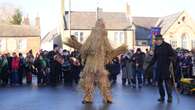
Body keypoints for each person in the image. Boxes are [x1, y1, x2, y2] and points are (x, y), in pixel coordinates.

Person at [146, 34, 175, 103]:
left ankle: (170, 97)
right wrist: (149, 66)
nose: (157, 42)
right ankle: (162, 96)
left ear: (161, 40)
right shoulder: (157, 47)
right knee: (159, 83)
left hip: (166, 68)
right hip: (159, 68)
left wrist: (171, 59)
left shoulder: (167, 46)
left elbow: (173, 55)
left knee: (167, 83)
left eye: (158, 40)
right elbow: (154, 58)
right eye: (156, 40)